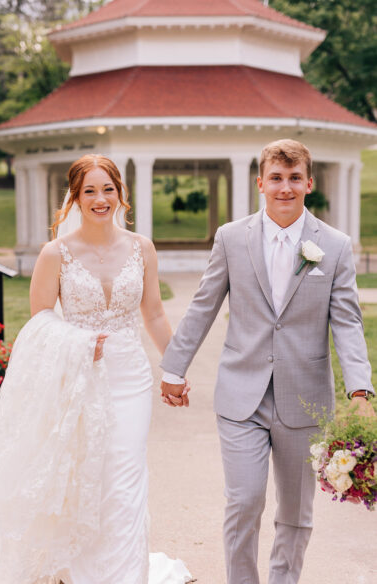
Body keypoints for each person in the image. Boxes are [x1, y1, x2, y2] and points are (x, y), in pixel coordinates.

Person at [159, 139, 375, 583]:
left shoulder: (334, 246)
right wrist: (173, 368)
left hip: (305, 399)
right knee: (244, 501)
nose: (285, 188)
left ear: (309, 183)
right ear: (260, 183)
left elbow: (348, 323)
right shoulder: (231, 238)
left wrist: (360, 391)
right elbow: (203, 305)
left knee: (296, 512)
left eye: (295, 178)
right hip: (242, 396)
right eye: (276, 178)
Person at [0, 154, 192, 584]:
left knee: (126, 476)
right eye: (90, 191)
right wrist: (78, 344)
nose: (101, 199)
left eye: (108, 189)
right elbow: (40, 320)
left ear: (120, 193)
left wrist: (175, 370)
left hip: (131, 379)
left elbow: (154, 315)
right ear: (75, 198)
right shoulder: (55, 253)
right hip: (79, 379)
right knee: (88, 474)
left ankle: (125, 574)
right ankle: (83, 570)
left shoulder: (142, 248)